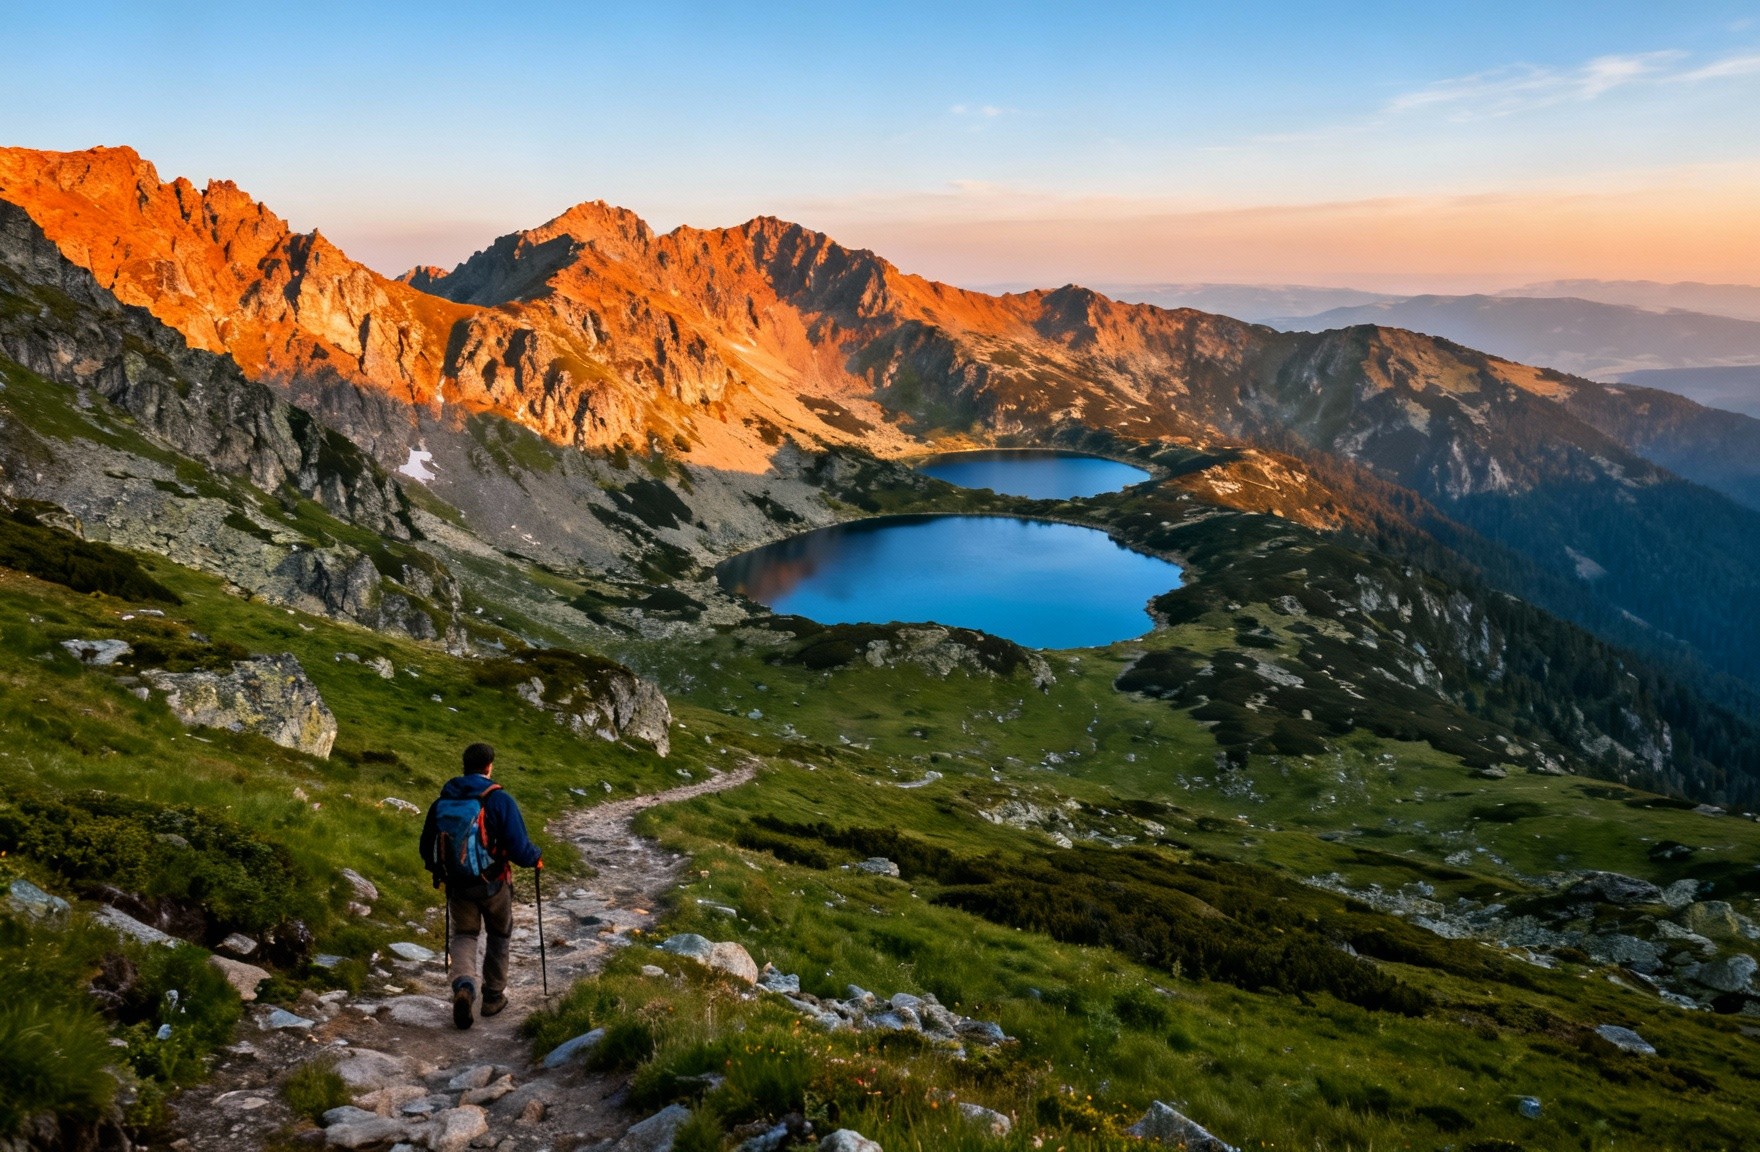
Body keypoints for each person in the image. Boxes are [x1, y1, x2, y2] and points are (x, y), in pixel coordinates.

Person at [419, 742, 543, 1029]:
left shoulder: (442, 802)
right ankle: (493, 997)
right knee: (499, 934)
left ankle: (464, 985)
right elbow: (519, 848)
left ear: (464, 766)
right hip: (493, 883)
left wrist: (441, 872)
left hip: (458, 885)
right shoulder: (499, 800)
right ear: (489, 766)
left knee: (464, 935)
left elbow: (426, 846)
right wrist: (536, 858)